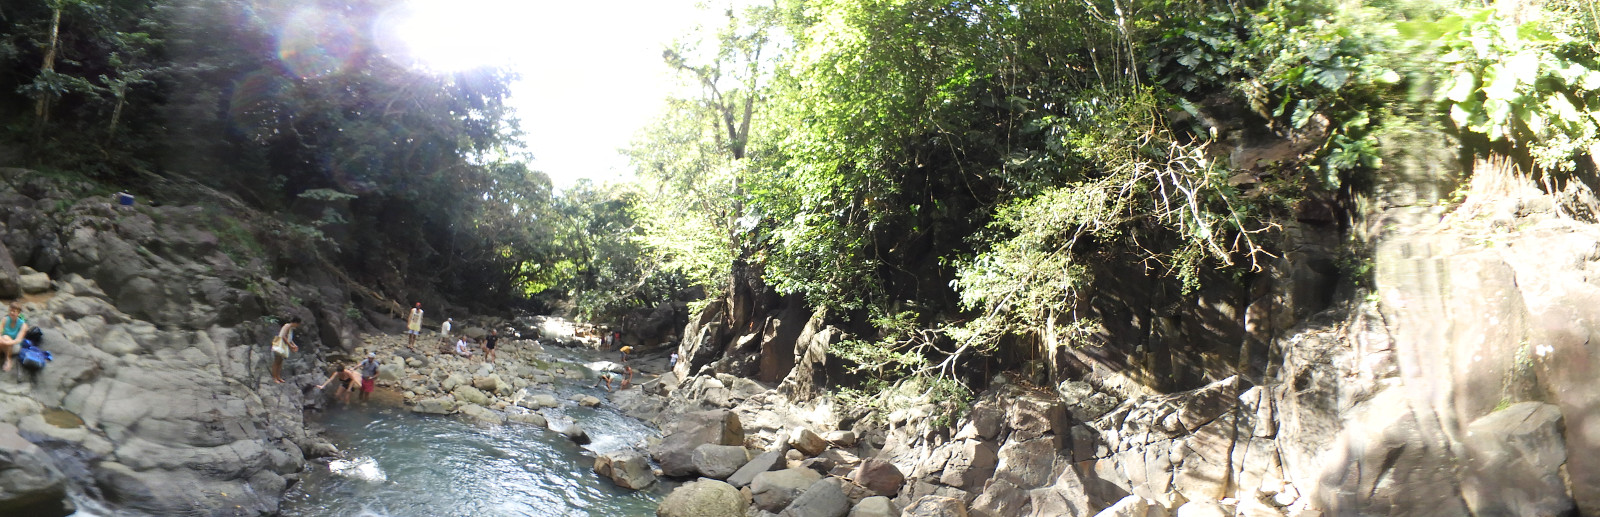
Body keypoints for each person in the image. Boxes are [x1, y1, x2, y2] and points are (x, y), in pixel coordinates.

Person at [270, 317, 302, 384]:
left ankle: (278, 377)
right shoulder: (287, 326)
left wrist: (294, 344)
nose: (297, 326)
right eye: (298, 324)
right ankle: (274, 377)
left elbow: (289, 338)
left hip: (283, 346)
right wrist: (290, 346)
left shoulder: (290, 328)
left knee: (280, 362)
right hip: (280, 345)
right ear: (295, 323)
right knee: (277, 361)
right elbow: (284, 336)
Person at [1, 303, 29, 372]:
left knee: (6, 337)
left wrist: (6, 342)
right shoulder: (5, 319)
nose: (11, 313)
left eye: (14, 311)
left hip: (14, 346)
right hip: (2, 342)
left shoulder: (23, 325)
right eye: (10, 310)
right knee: (4, 338)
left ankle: (8, 359)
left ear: (18, 313)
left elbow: (18, 340)